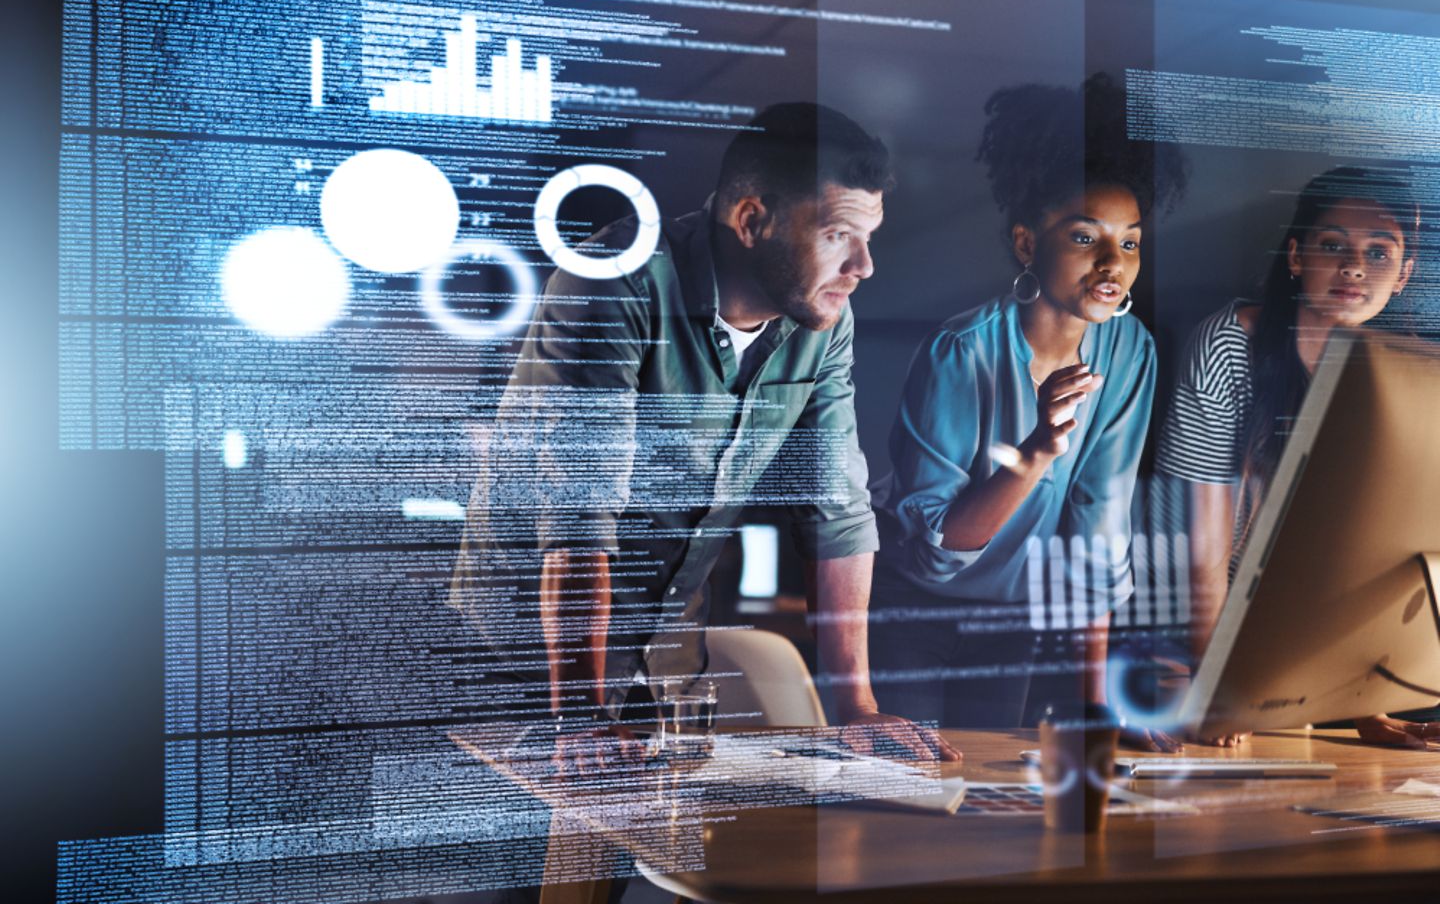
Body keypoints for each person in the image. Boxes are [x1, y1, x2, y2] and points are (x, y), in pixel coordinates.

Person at [451, 102, 957, 768]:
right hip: (530, 664)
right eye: (839, 234)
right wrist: (578, 716)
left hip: (668, 669)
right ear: (751, 221)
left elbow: (837, 511)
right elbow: (580, 517)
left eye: (871, 238)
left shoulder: (826, 320)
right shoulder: (618, 278)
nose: (863, 265)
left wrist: (856, 707)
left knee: (669, 865)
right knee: (538, 861)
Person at [867, 74, 1187, 748]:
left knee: (981, 816)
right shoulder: (961, 352)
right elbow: (937, 549)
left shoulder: (1129, 351)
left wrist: (1096, 709)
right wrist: (1040, 446)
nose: (1113, 262)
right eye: (1084, 238)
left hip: (1012, 619)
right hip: (912, 616)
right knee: (906, 816)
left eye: (1129, 242)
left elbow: (1100, 528)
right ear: (1024, 246)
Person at [1155, 165, 1438, 749]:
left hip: (1303, 656)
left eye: (1379, 252)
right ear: (1295, 256)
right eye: (1332, 245)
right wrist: (1219, 693)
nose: (1355, 267)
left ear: (1404, 274)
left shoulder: (1403, 374)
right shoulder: (1229, 343)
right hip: (1193, 638)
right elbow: (1199, 551)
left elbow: (1365, 552)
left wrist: (1366, 701)